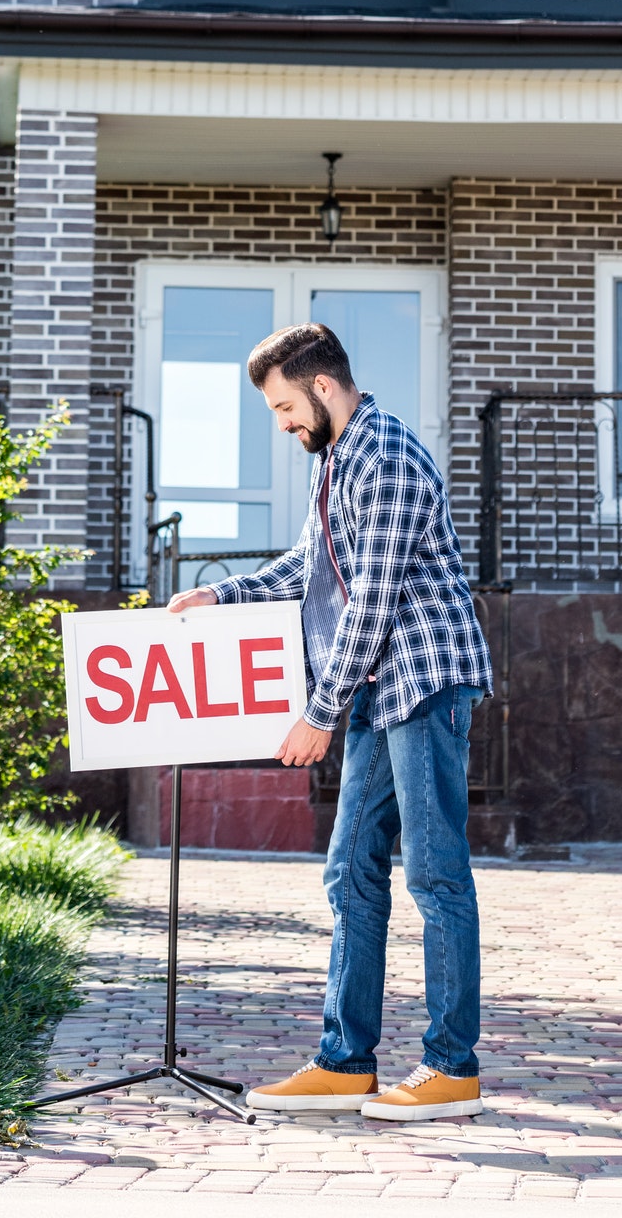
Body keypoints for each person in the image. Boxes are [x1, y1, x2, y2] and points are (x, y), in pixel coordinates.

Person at [167, 322, 493, 1122]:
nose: (282, 425)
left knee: (435, 875)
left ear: (320, 386)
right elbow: (309, 567)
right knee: (350, 873)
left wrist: (319, 714)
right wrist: (223, 594)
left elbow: (373, 599)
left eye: (283, 407)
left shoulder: (385, 457)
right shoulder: (340, 459)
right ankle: (345, 1063)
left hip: (422, 679)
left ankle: (451, 1068)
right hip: (382, 688)